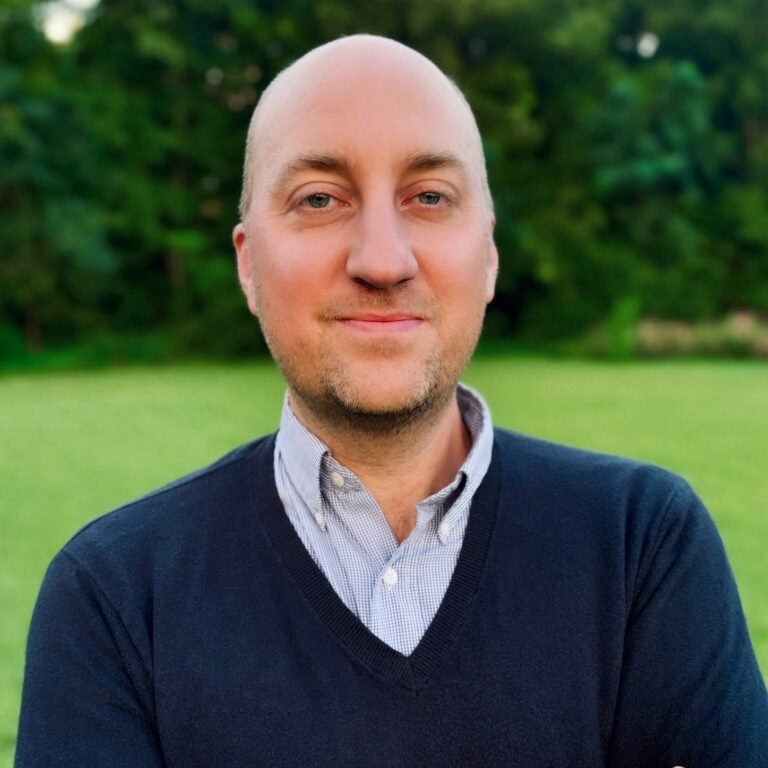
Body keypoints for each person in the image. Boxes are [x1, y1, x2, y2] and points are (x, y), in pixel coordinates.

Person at [15, 34, 768, 768]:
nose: (381, 259)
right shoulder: (115, 599)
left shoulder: (642, 549)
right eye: (319, 198)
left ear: (490, 256)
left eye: (430, 196)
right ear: (247, 265)